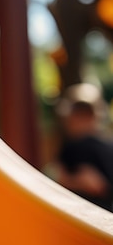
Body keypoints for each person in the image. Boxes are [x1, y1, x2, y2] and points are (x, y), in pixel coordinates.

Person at [47, 83, 113, 211]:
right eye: (78, 113)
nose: (82, 120)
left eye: (86, 114)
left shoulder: (105, 147)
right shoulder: (68, 147)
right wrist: (76, 181)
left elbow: (98, 186)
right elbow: (58, 179)